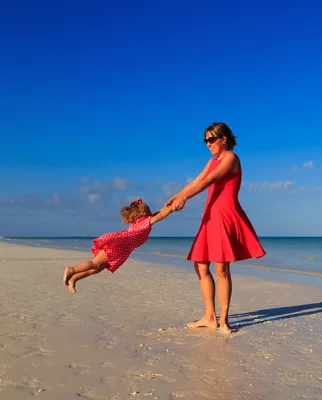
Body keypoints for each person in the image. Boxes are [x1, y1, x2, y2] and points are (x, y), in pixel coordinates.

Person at [165, 122, 266, 334]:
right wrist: (175, 196)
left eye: (212, 139)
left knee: (221, 268)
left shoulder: (231, 158)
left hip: (225, 216)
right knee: (201, 266)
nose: (208, 144)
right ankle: (209, 317)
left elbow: (210, 180)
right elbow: (198, 180)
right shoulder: (212, 161)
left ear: (224, 139)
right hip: (209, 216)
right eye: (206, 140)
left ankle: (224, 322)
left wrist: (185, 197)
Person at [62, 199, 173, 293]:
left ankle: (74, 278)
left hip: (122, 247)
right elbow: (160, 216)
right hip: (118, 246)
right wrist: (172, 208)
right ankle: (72, 270)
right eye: (149, 211)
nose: (151, 212)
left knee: (98, 269)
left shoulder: (140, 221)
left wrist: (164, 208)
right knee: (95, 264)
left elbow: (156, 214)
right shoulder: (146, 222)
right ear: (144, 214)